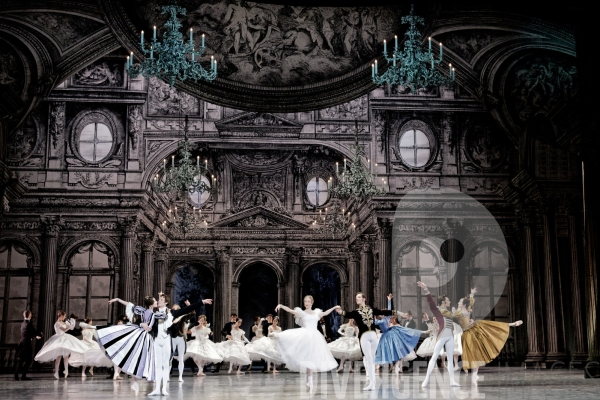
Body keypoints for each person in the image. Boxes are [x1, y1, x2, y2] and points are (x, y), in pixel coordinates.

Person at [95, 296, 165, 394]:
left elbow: (129, 305)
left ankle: (135, 381)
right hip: (144, 336)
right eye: (155, 300)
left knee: (136, 356)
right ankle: (136, 381)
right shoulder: (151, 313)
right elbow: (147, 325)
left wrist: (118, 300)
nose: (157, 301)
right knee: (139, 357)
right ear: (151, 304)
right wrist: (143, 325)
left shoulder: (144, 311)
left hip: (141, 334)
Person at [455, 288, 523, 386]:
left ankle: (511, 324)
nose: (458, 303)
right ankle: (472, 372)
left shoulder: (465, 310)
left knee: (489, 327)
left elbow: (470, 303)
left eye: (460, 302)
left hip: (473, 330)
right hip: (467, 333)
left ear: (464, 304)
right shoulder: (460, 311)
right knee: (473, 353)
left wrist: (472, 294)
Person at [335, 292, 400, 391]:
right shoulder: (356, 312)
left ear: (364, 299)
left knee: (372, 359)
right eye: (356, 297)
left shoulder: (372, 310)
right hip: (364, 336)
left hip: (373, 336)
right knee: (369, 358)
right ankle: (372, 383)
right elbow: (348, 314)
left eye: (359, 297)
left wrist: (396, 312)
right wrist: (341, 312)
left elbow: (384, 312)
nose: (357, 299)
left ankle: (372, 383)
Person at [275, 296, 339, 393]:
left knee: (312, 360)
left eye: (308, 301)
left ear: (312, 303)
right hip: (305, 336)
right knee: (307, 360)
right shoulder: (302, 313)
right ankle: (310, 382)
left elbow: (325, 313)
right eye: (305, 301)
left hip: (315, 338)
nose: (306, 303)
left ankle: (310, 382)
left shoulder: (317, 312)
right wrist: (281, 305)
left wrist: (334, 307)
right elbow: (291, 311)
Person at [416, 281, 460, 388]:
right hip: (442, 336)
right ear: (444, 302)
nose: (449, 301)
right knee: (434, 356)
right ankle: (426, 379)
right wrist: (426, 289)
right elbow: (430, 302)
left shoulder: (449, 313)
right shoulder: (438, 311)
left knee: (449, 358)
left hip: (450, 336)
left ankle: (452, 381)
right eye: (448, 300)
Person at [374, 294, 421, 374]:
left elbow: (375, 321)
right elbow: (388, 310)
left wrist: (373, 318)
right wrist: (389, 300)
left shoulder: (382, 320)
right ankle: (395, 364)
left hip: (388, 335)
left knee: (392, 350)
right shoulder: (387, 318)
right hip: (390, 334)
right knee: (394, 350)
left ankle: (395, 364)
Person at [34, 310, 87, 379]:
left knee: (66, 356)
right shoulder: (57, 323)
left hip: (64, 338)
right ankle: (56, 372)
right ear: (61, 316)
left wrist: (70, 325)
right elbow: (63, 330)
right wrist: (68, 327)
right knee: (59, 357)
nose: (65, 317)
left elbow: (69, 328)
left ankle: (66, 371)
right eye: (64, 316)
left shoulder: (63, 322)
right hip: (59, 339)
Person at [169, 304, 195, 382]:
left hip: (180, 338)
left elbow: (192, 314)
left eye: (176, 308)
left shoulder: (183, 317)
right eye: (173, 308)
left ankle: (180, 376)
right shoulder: (170, 317)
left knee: (181, 358)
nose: (174, 310)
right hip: (172, 338)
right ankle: (167, 375)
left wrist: (189, 305)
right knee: (169, 358)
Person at [14, 310, 42, 381]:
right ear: (29, 315)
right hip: (27, 344)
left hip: (22, 343)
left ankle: (16, 375)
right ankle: (23, 376)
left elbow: (28, 332)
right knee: (28, 360)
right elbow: (34, 331)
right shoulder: (28, 324)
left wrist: (35, 336)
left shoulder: (23, 323)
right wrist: (40, 334)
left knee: (21, 359)